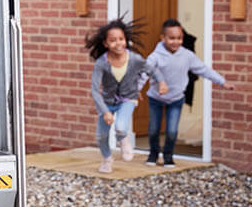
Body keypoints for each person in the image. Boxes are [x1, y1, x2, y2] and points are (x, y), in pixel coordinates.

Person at [142, 19, 236, 168]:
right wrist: (134, 92)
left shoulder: (187, 55)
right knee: (154, 129)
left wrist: (222, 81)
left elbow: (203, 70)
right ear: (163, 38)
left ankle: (168, 156)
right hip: (156, 98)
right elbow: (143, 74)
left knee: (172, 131)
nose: (176, 42)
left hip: (176, 99)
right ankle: (153, 154)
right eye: (172, 38)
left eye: (179, 38)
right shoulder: (155, 57)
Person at [86, 17, 166, 174]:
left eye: (121, 39)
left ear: (126, 40)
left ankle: (123, 140)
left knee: (121, 127)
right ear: (105, 44)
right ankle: (107, 159)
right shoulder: (102, 63)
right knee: (101, 136)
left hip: (128, 99)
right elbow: (95, 90)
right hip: (107, 102)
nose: (118, 43)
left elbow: (152, 70)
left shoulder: (134, 59)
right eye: (113, 40)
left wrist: (161, 82)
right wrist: (105, 111)